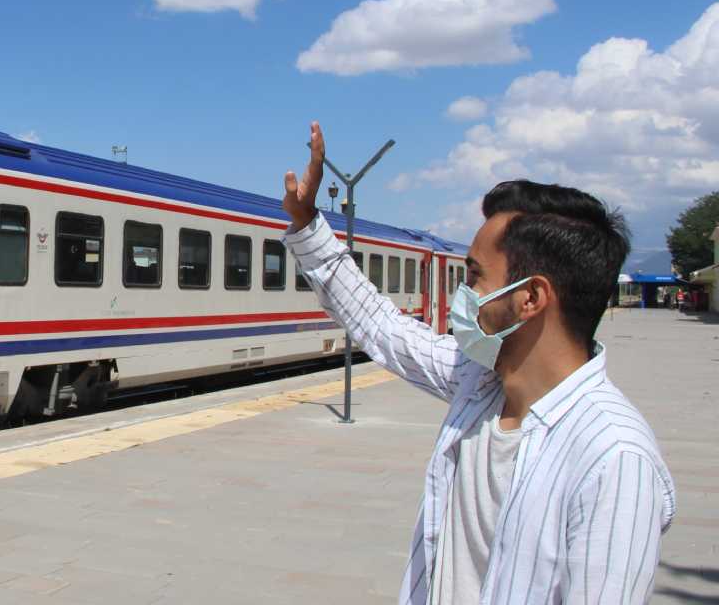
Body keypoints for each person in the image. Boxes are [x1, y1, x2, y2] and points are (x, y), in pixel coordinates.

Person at [280, 123, 674, 605]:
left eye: (474, 277)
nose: (460, 298)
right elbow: (382, 327)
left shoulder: (614, 459)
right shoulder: (482, 384)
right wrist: (307, 226)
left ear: (530, 298)